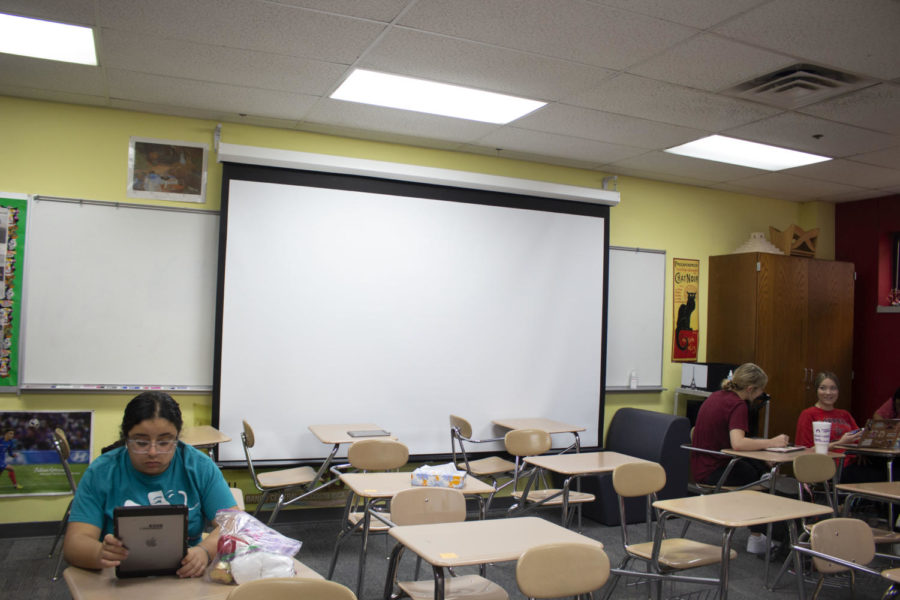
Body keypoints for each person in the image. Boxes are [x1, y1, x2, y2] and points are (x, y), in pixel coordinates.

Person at [63, 392, 237, 577]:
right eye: (141, 442)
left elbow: (235, 524)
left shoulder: (198, 467)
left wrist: (204, 551)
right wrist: (99, 553)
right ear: (126, 439)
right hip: (116, 578)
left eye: (164, 442)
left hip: (184, 575)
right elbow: (75, 543)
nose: (153, 452)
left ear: (177, 438)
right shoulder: (102, 472)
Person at [691, 362, 790, 554]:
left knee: (758, 471)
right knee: (765, 479)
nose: (762, 394)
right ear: (751, 389)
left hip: (701, 465)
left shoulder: (716, 396)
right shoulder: (738, 405)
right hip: (714, 471)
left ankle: (758, 537)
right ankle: (775, 535)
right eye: (761, 390)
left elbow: (729, 442)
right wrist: (772, 442)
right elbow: (738, 444)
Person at [794, 371, 882, 483]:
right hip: (829, 467)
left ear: (838, 391)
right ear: (816, 390)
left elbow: (859, 437)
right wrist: (839, 443)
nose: (828, 392)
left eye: (833, 388)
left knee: (888, 470)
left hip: (851, 463)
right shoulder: (808, 414)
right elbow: (805, 452)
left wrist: (863, 451)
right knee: (876, 477)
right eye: (823, 388)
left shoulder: (844, 414)